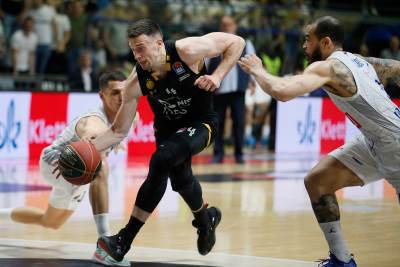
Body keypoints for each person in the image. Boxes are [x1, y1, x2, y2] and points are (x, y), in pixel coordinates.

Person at [238, 16, 400, 267]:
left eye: (307, 40)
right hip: (374, 142)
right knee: (318, 182)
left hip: (396, 145)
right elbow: (394, 67)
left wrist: (257, 69)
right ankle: (342, 260)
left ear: (325, 42)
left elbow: (282, 92)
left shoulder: (327, 67)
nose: (303, 46)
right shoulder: (359, 60)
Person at [86, 18, 245, 266]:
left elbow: (237, 41)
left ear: (159, 44)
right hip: (168, 131)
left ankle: (123, 241)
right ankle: (206, 221)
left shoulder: (187, 50)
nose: (136, 55)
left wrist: (217, 75)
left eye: (141, 47)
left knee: (161, 159)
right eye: (132, 49)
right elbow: (117, 131)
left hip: (201, 124)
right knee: (181, 180)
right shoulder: (136, 82)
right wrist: (82, 149)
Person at [0, 71, 131, 266]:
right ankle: (106, 243)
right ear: (102, 95)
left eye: (123, 91)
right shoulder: (94, 120)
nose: (120, 97)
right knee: (101, 167)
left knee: (51, 222)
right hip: (54, 162)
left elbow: (115, 134)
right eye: (114, 93)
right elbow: (91, 130)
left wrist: (116, 143)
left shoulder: (130, 115)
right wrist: (92, 140)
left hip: (77, 170)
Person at [208, 15, 256, 163]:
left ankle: (239, 153)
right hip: (218, 89)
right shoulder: (213, 42)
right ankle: (218, 153)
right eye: (223, 25)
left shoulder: (246, 43)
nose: (226, 27)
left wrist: (253, 81)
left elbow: (252, 61)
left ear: (235, 26)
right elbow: (206, 62)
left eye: (229, 25)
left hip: (237, 89)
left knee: (239, 122)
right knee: (218, 123)